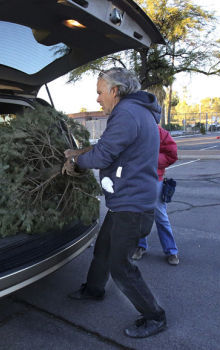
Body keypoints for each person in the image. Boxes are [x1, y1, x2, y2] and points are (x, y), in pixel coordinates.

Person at [63, 67, 167, 338]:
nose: (97, 99)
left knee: (120, 265)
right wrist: (82, 151)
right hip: (129, 200)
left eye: (100, 92)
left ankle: (154, 316)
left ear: (115, 91)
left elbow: (103, 156)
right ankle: (94, 289)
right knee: (104, 248)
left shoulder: (126, 114)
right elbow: (112, 149)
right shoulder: (138, 112)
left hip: (132, 206)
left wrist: (76, 160)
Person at [131, 125, 180, 265]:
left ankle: (171, 251)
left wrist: (151, 160)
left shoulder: (159, 132)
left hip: (155, 181)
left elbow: (172, 154)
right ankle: (140, 246)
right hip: (137, 180)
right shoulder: (132, 129)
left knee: (160, 216)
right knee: (139, 215)